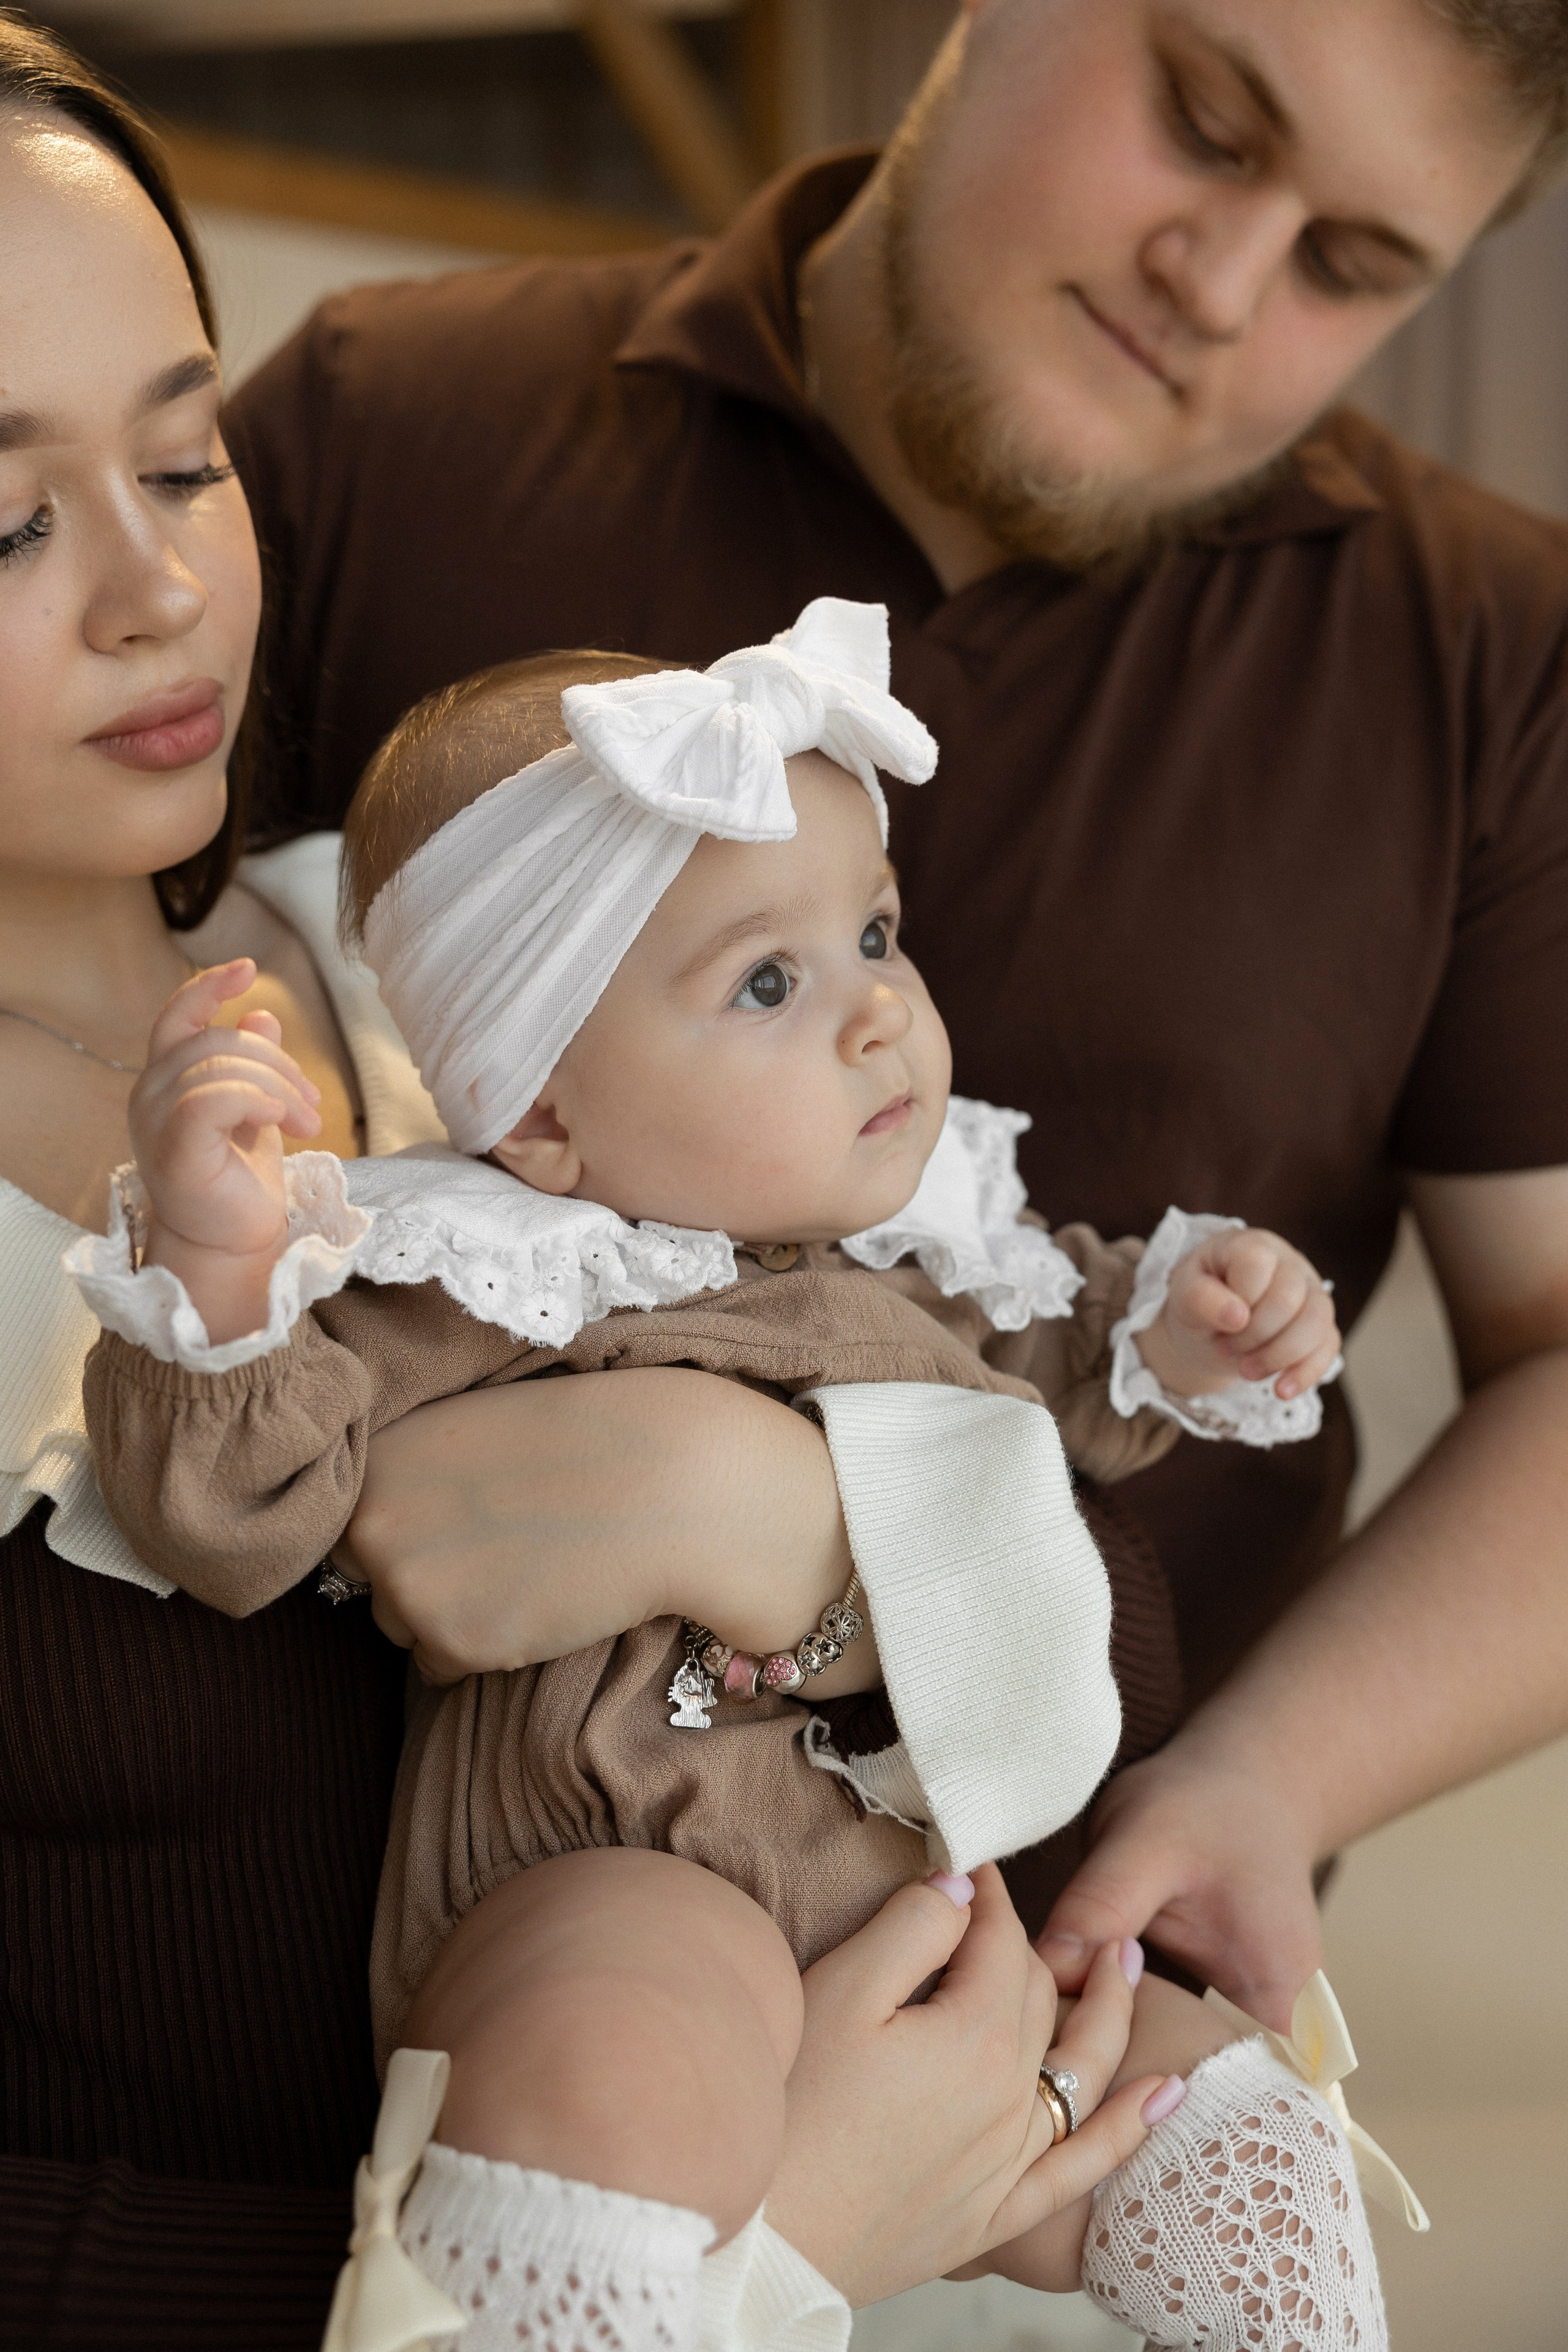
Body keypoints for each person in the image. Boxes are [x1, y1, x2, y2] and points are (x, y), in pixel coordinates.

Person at [227, 0, 1568, 2031]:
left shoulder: (1491, 658)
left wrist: (1269, 1784)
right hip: (414, 1977)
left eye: (1352, 264)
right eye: (1207, 123)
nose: (1220, 283)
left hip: (1070, 1985)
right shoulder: (385, 426)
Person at [0, 24, 1168, 2348]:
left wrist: (775, 1517)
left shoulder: (466, 974)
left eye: (188, 458)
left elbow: (1071, 1565)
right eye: (3, 521)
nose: (159, 592)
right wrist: (777, 2245)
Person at [75, 612, 1382, 2352]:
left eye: (875, 934)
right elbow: (236, 1503)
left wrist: (1195, 1335)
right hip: (613, 1868)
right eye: (772, 983)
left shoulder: (912, 1259)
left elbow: (1073, 1384)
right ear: (541, 1116)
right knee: (618, 2082)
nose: (880, 1014)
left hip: (913, 1905)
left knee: (1228, 2119)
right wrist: (219, 1275)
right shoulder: (478, 1269)